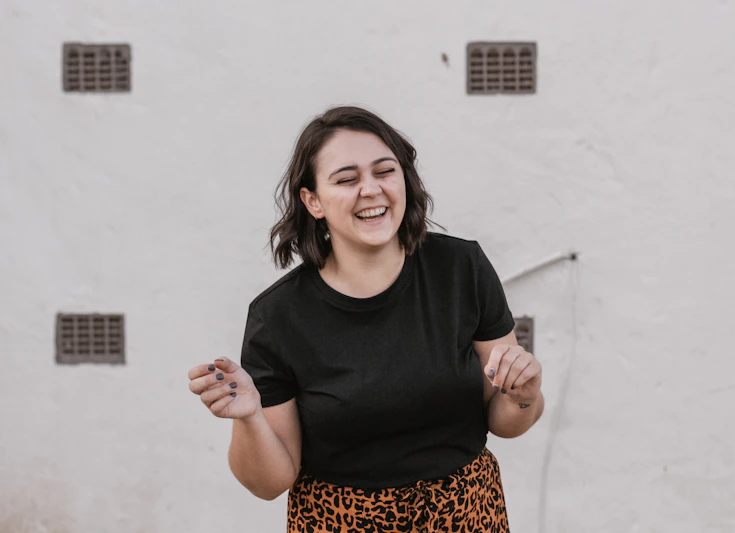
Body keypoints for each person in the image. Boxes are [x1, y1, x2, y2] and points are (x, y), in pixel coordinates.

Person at [187, 106, 545, 532]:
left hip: (467, 517)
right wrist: (249, 417)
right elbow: (269, 484)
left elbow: (505, 421)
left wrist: (524, 393)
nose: (371, 190)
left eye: (384, 171)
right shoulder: (277, 317)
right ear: (313, 201)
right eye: (347, 179)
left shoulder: (461, 268)